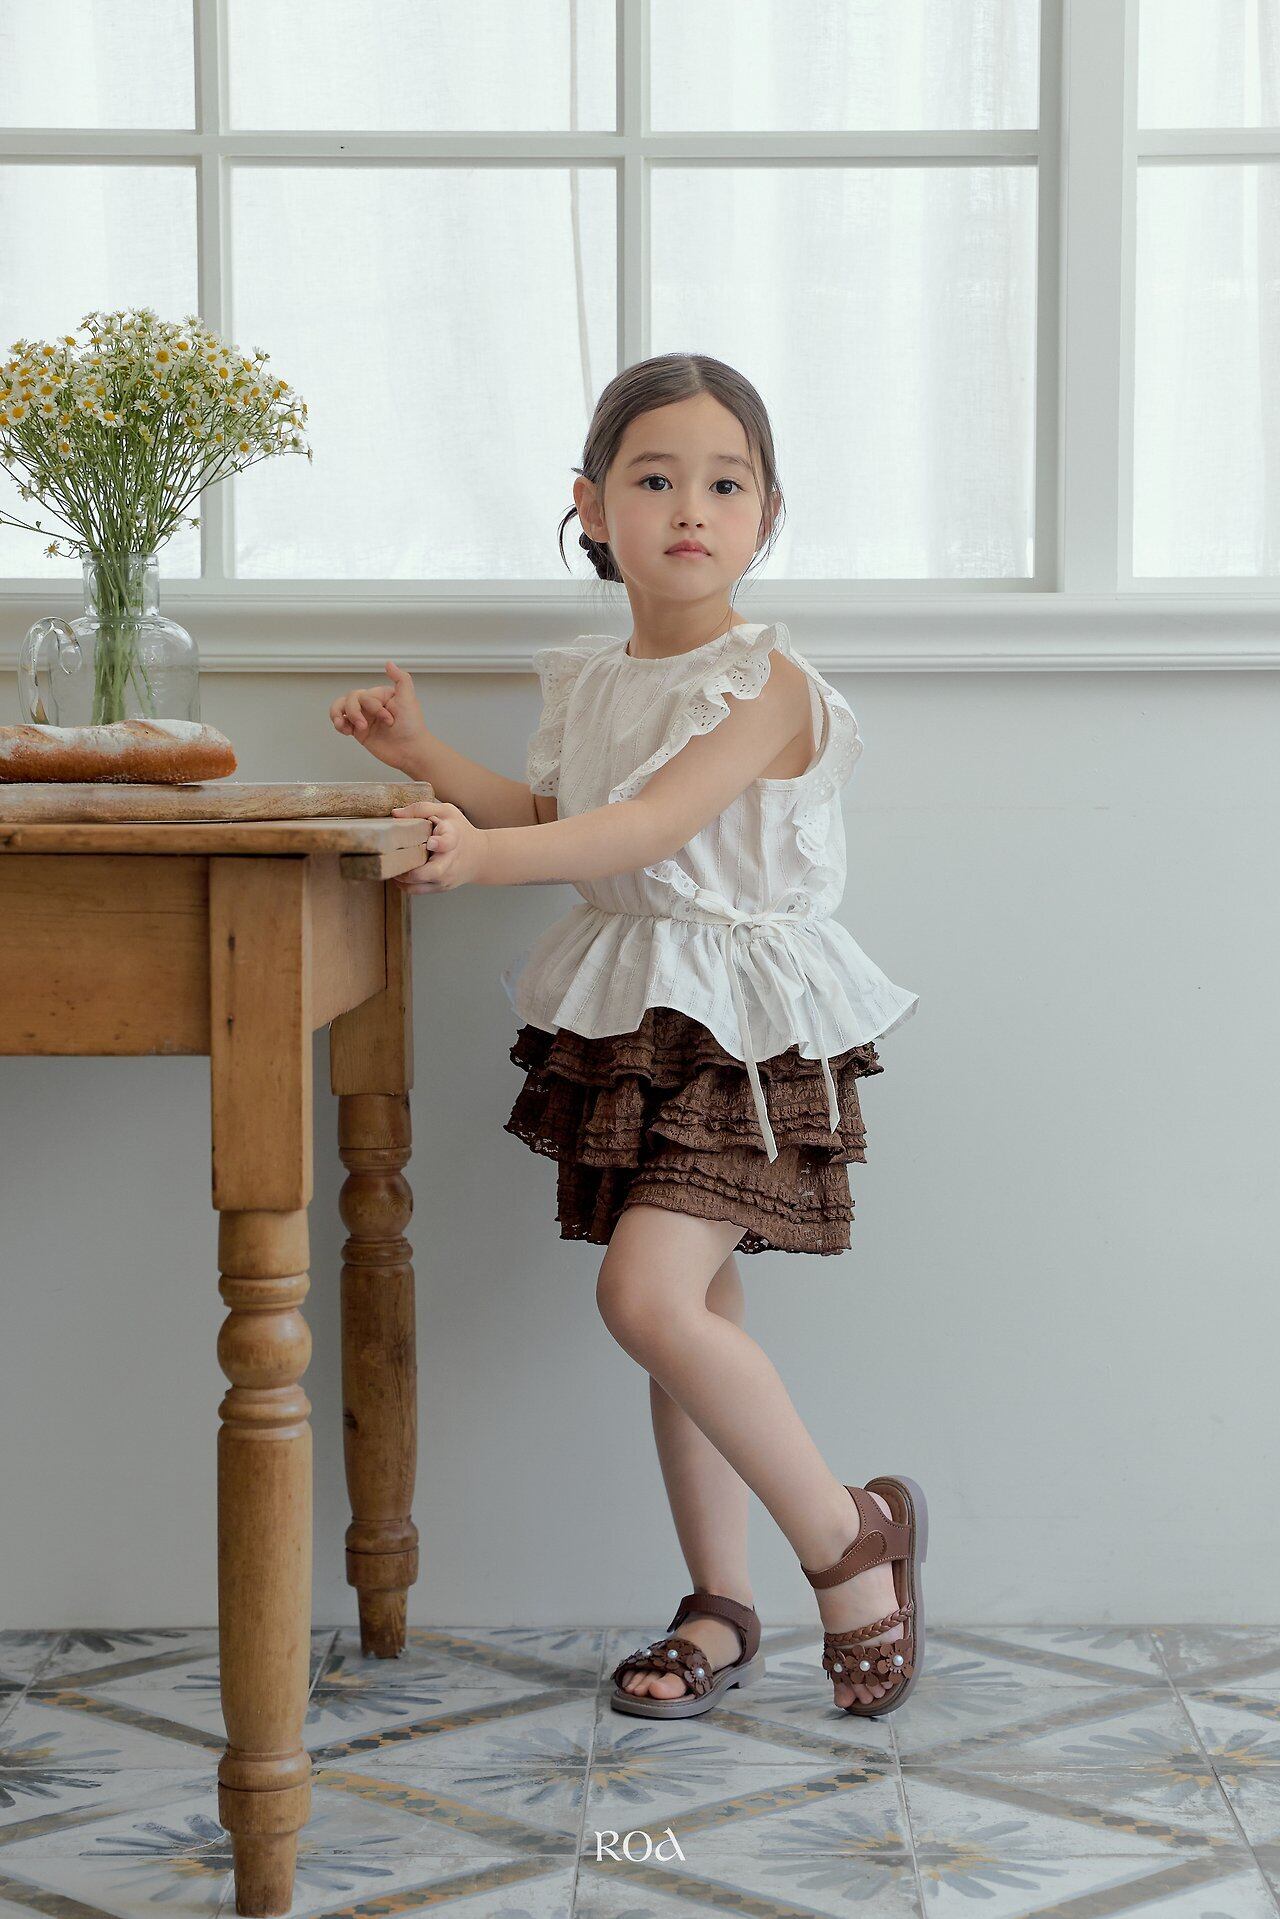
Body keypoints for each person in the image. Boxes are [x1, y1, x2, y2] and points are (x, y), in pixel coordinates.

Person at [329, 353, 926, 1721]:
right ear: (592, 508)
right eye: (655, 480)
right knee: (688, 1318)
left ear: (768, 514)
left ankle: (852, 1542)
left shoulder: (765, 682)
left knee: (646, 1299)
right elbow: (563, 811)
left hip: (744, 1033)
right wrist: (431, 763)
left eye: (727, 483)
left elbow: (651, 828)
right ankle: (720, 1602)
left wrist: (480, 860)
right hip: (637, 1017)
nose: (691, 508)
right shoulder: (598, 681)